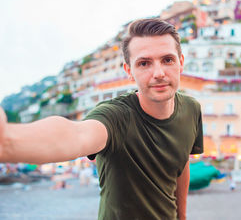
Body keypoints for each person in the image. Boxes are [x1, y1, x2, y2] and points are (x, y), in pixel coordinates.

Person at [0, 18, 203, 220]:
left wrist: (181, 216)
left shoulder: (191, 110)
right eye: (144, 63)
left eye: (167, 60)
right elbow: (75, 135)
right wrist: (8, 142)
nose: (158, 73)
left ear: (181, 62)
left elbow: (181, 164)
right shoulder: (116, 116)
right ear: (129, 71)